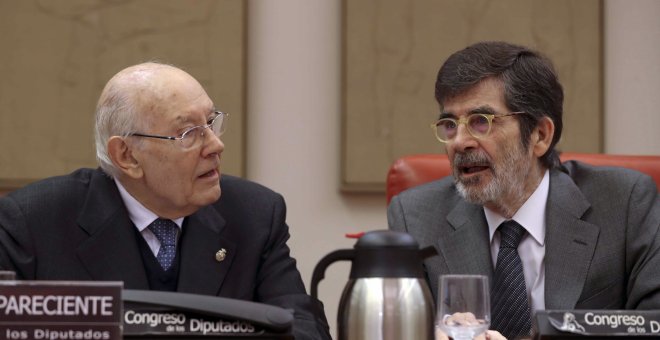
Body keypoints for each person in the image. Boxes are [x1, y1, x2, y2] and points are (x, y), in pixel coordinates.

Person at [0, 62, 331, 340]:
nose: (216, 145)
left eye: (211, 122)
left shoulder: (255, 215)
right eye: (189, 133)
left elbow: (302, 328)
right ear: (127, 155)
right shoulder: (32, 223)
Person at [388, 41, 660, 339]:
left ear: (540, 136)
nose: (458, 142)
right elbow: (396, 328)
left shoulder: (625, 204)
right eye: (450, 124)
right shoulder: (414, 217)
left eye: (481, 122)